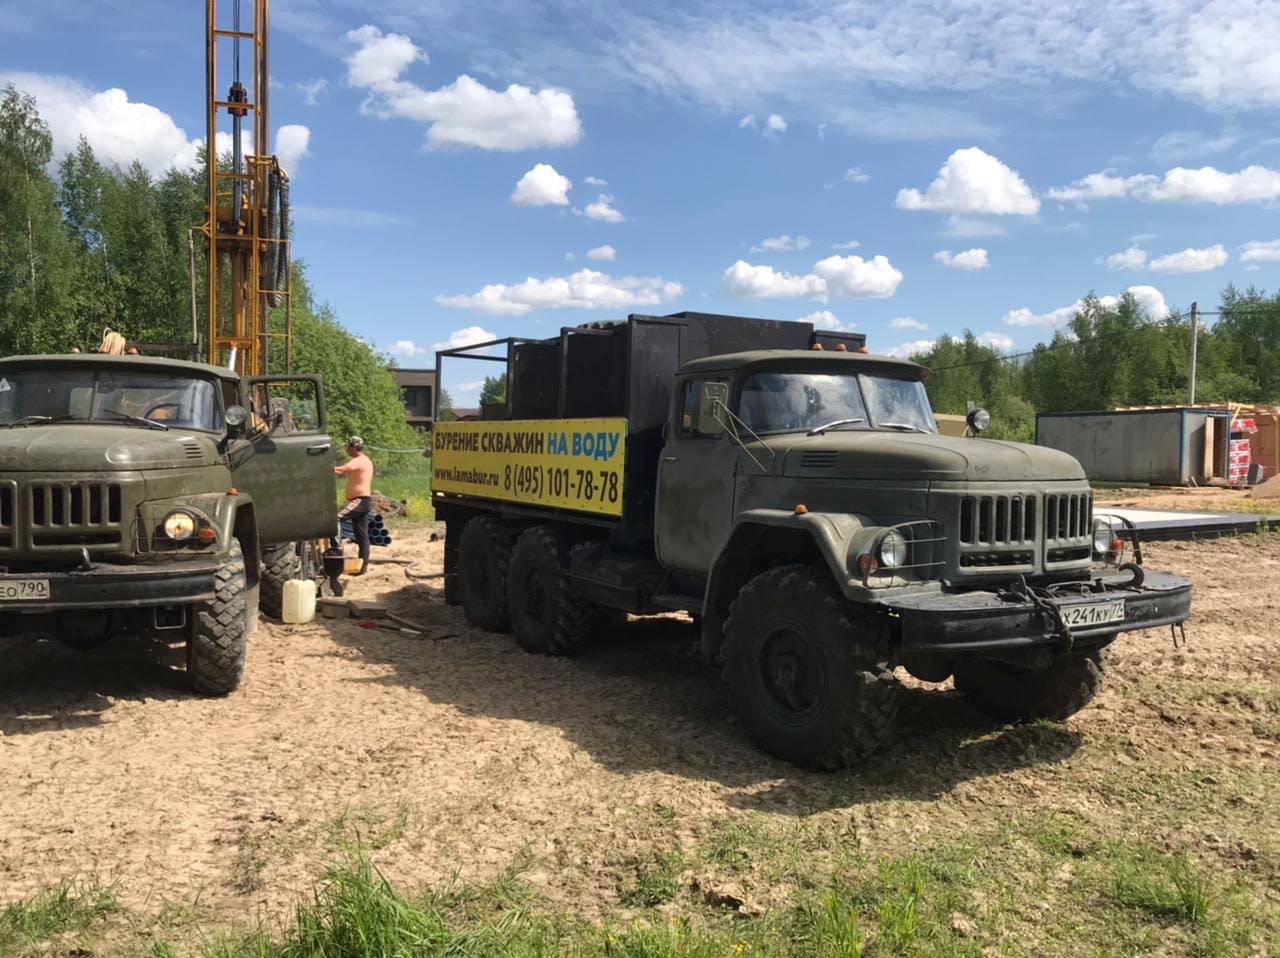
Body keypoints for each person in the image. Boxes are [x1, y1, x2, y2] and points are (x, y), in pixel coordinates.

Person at [331, 436, 374, 575]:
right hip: (363, 500)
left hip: (360, 500)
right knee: (362, 535)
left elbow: (341, 470)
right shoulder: (365, 460)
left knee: (336, 518)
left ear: (354, 447)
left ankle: (336, 548)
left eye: (348, 447)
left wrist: (323, 468)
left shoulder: (359, 461)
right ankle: (363, 566)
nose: (346, 449)